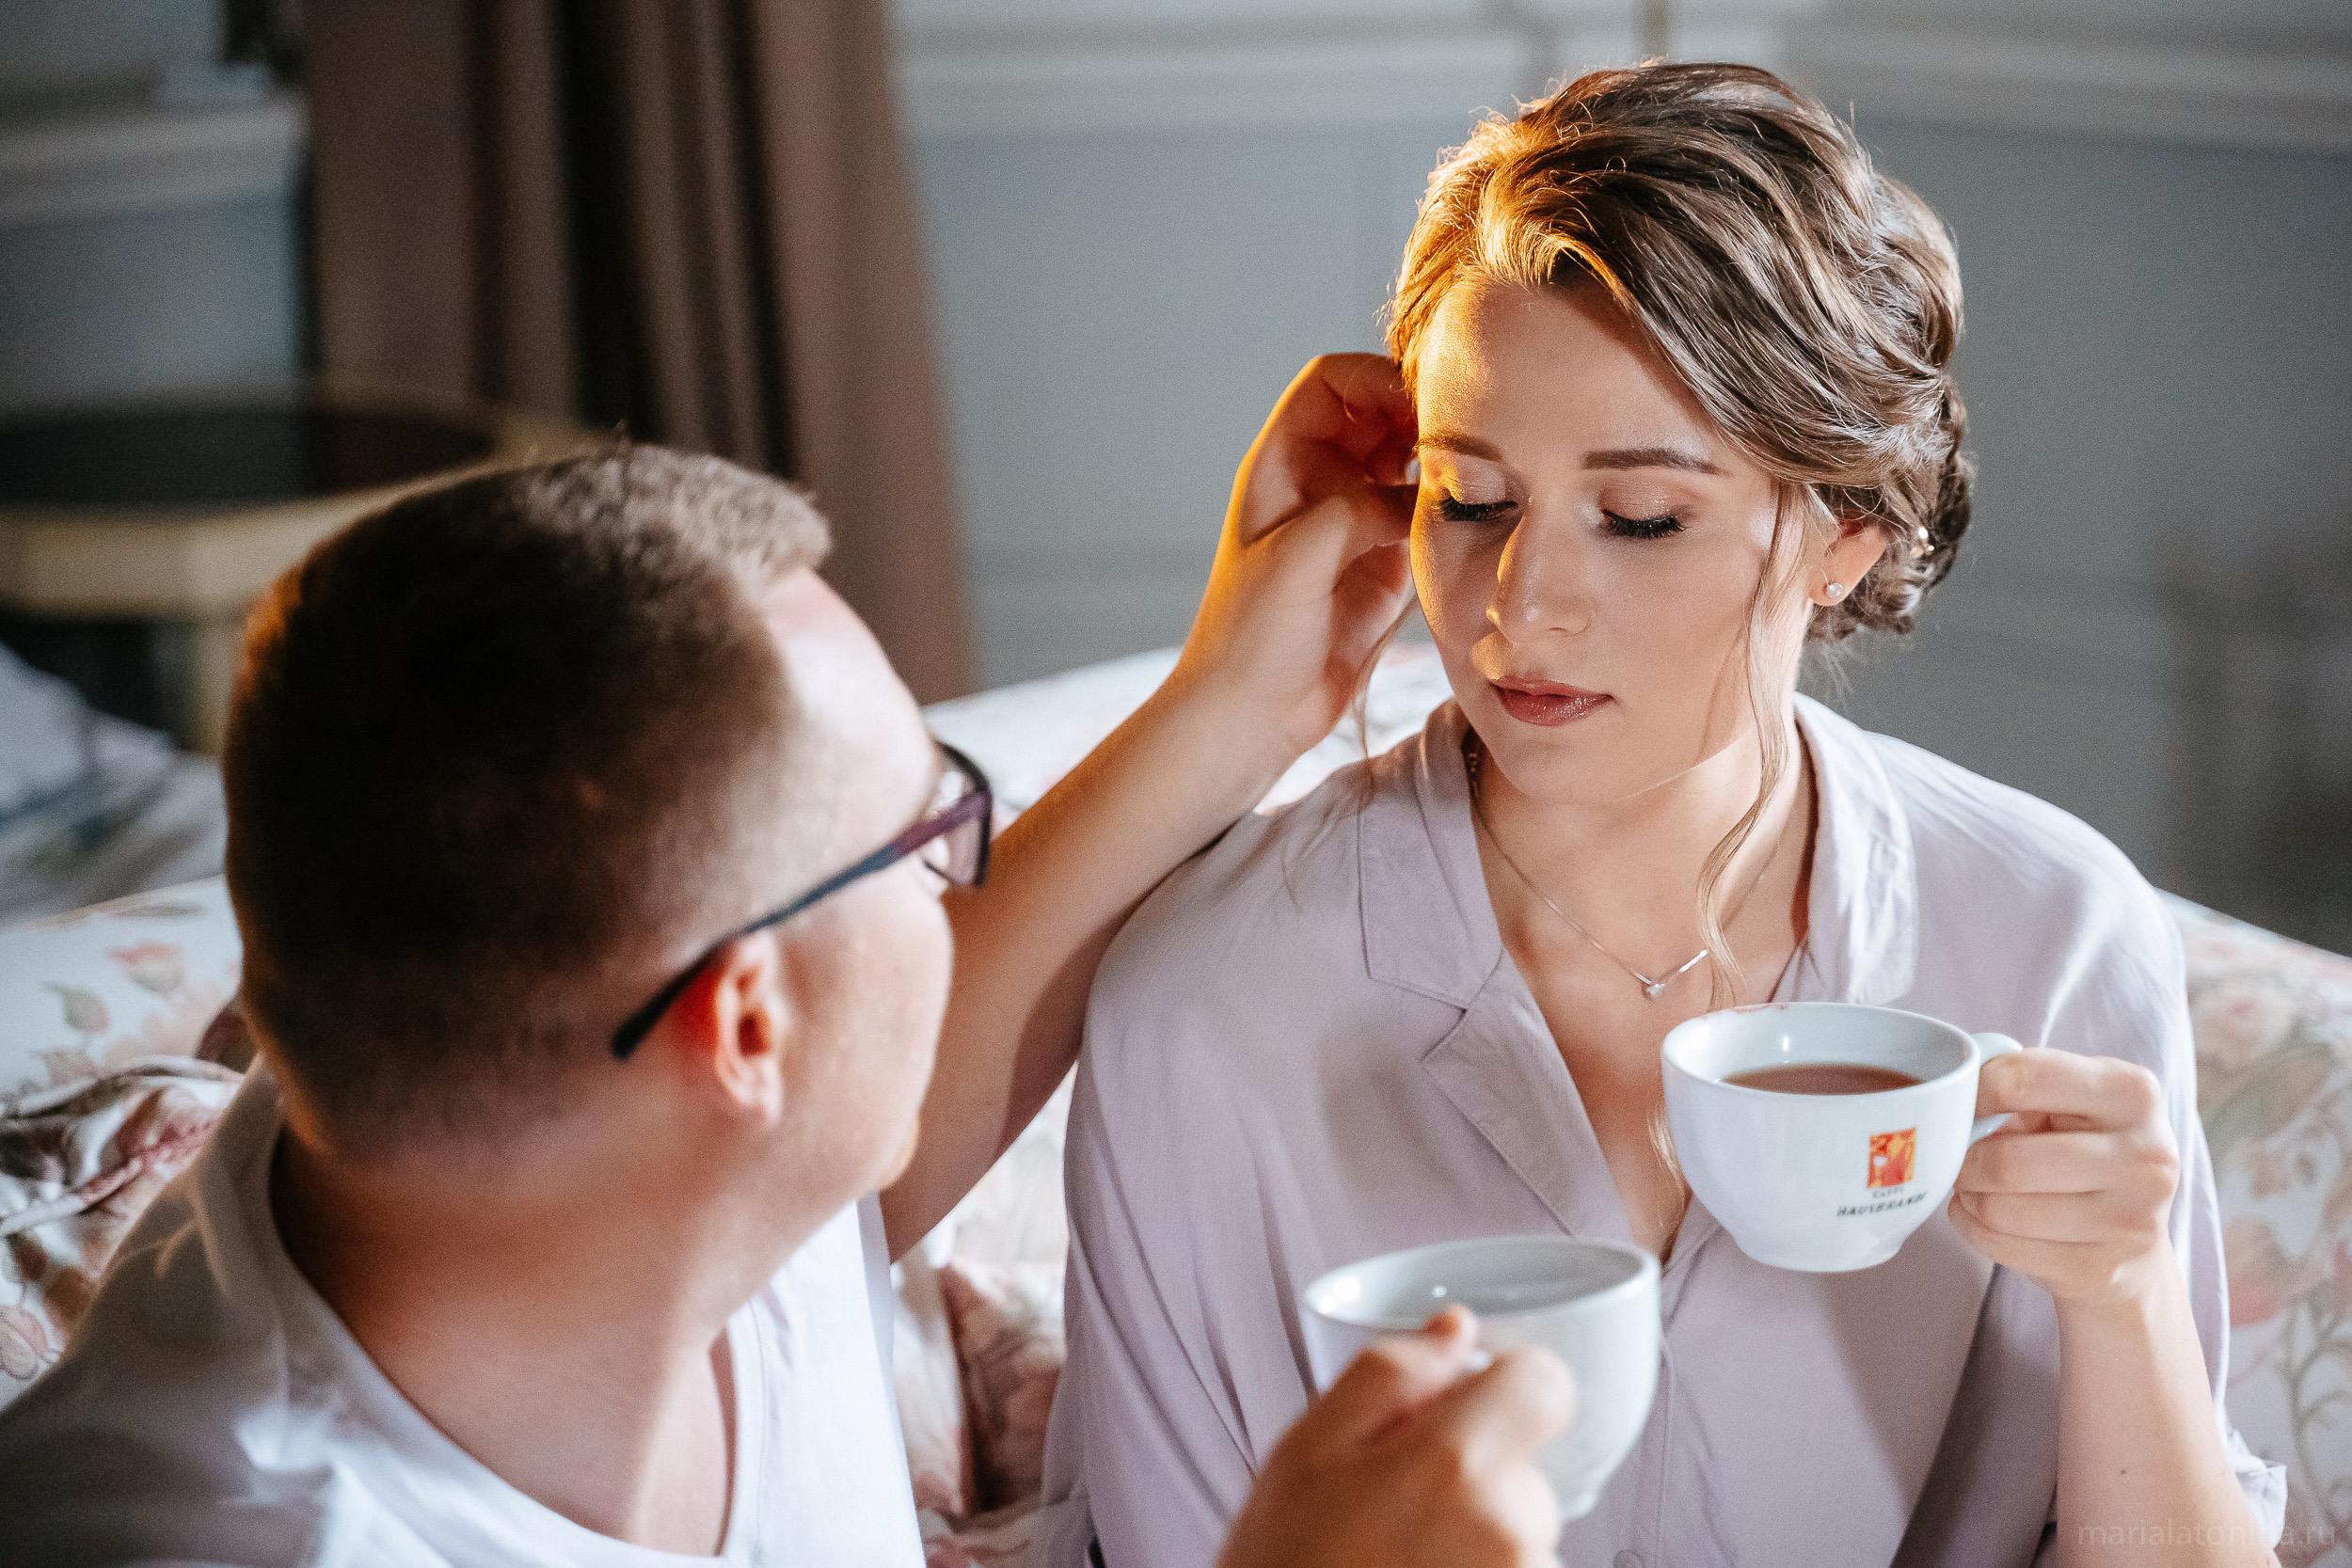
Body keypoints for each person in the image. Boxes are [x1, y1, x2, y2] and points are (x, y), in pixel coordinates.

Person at [1041, 63, 2289, 1568]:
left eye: (1642, 519)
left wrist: (2127, 1292)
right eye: (1473, 498)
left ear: (1842, 533)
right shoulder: (1212, 1004)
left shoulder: (2048, 936)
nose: (1523, 606)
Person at [0, 439, 1576, 1566]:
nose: (962, 884)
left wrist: (1241, 687)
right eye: (919, 837)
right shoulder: (244, 1531)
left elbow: (897, 1075)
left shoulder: (517, 1128)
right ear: (744, 1028)